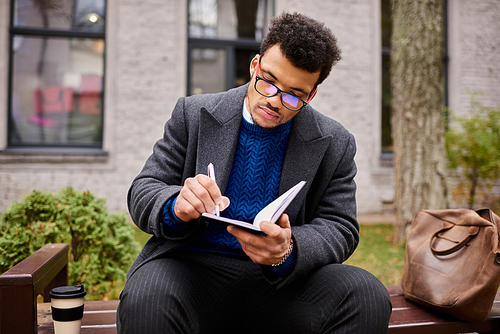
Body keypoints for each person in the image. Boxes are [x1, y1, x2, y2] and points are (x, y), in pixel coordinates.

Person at [117, 12, 392, 334]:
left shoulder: (335, 142)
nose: (275, 101)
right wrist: (176, 203)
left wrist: (288, 250)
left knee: (366, 294)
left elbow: (340, 226)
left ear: (312, 94)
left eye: (294, 95)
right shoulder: (194, 114)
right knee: (146, 297)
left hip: (280, 282)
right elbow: (145, 189)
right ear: (255, 65)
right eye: (268, 82)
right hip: (189, 270)